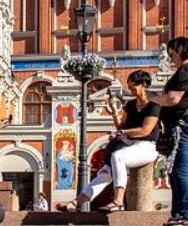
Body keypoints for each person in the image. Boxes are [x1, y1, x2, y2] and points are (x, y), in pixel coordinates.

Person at [64, 70, 161, 212]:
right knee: (104, 173)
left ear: (144, 84)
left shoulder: (154, 104)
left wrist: (122, 132)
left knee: (118, 157)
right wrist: (115, 112)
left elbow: (145, 130)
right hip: (129, 145)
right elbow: (121, 126)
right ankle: (76, 202)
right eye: (129, 86)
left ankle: (118, 200)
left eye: (133, 85)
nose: (131, 89)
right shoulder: (130, 105)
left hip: (147, 146)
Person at [147, 37, 188, 226]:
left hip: (183, 125)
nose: (171, 57)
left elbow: (173, 99)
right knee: (175, 171)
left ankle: (185, 215)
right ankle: (178, 213)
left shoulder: (186, 70)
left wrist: (153, 97)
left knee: (179, 171)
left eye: (172, 53)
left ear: (179, 50)